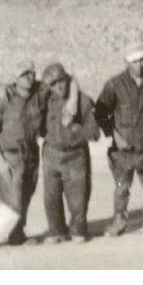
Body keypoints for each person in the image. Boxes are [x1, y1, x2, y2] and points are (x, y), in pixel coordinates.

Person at [94, 46, 143, 236]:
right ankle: (119, 222)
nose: (140, 64)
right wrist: (115, 136)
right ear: (127, 63)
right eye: (135, 61)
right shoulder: (114, 84)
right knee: (121, 188)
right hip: (123, 151)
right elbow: (101, 113)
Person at [0, 60, 47, 247]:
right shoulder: (3, 100)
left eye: (31, 72)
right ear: (14, 78)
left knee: (25, 196)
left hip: (31, 154)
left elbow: (69, 79)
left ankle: (17, 235)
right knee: (12, 202)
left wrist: (73, 95)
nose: (29, 77)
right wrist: (0, 161)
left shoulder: (39, 93)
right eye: (23, 74)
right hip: (10, 156)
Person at [39, 63, 99, 244]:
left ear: (68, 80)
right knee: (51, 196)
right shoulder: (46, 102)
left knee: (78, 198)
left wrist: (74, 127)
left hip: (75, 156)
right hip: (51, 154)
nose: (59, 87)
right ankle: (56, 229)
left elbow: (95, 133)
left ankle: (78, 228)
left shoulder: (84, 101)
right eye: (54, 84)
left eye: (62, 81)